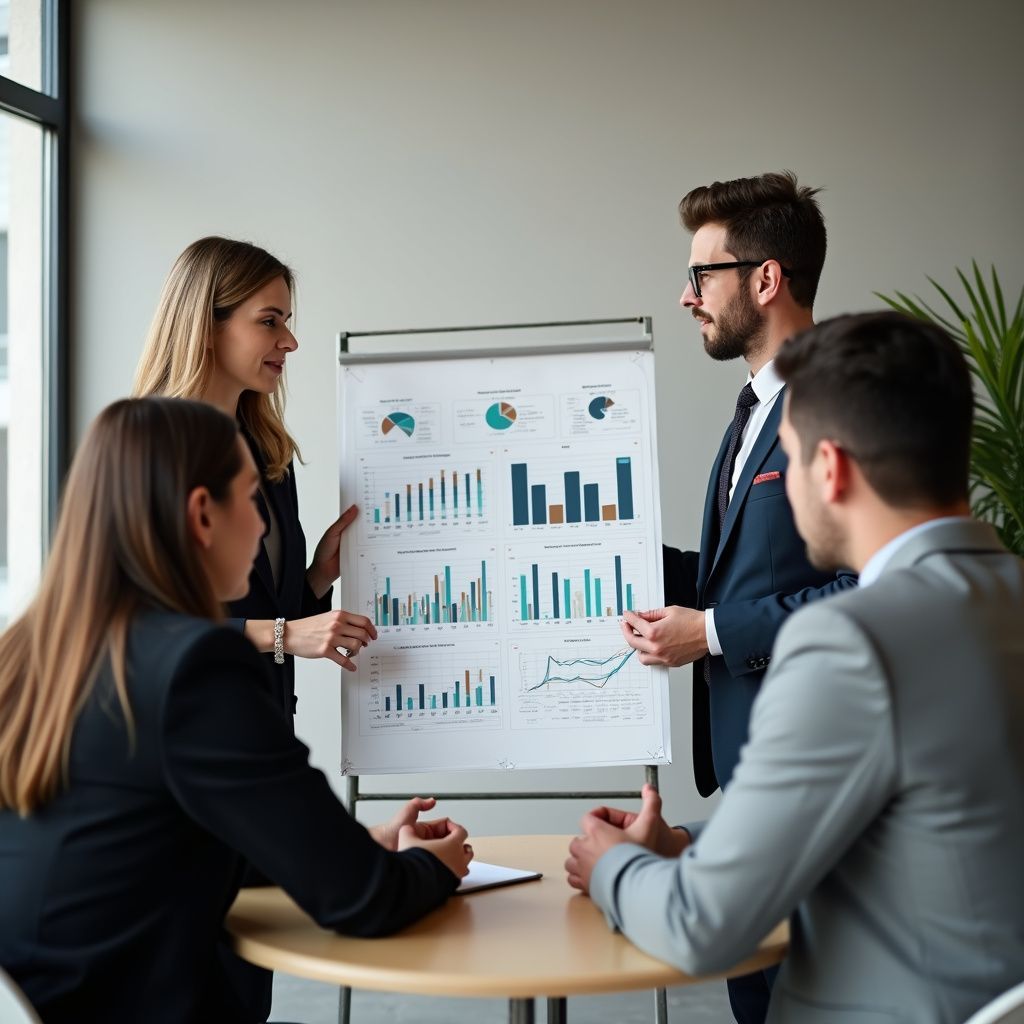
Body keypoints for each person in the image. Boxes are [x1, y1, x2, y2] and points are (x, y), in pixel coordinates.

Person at [566, 312, 1024, 1024]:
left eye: (788, 453)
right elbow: (917, 823)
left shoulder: (849, 645)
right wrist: (689, 842)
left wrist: (612, 868)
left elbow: (703, 926)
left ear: (831, 469)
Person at [0, 397, 473, 1024]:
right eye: (251, 500)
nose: (260, 527)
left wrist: (354, 845)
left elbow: (147, 836)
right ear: (202, 515)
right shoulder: (196, 666)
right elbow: (363, 902)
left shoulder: (32, 649)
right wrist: (431, 867)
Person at [622, 172, 857, 1020]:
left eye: (702, 275)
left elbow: (869, 589)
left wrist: (713, 633)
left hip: (812, 778)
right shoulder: (752, 408)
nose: (687, 297)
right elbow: (740, 572)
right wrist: (601, 555)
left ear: (766, 279)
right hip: (751, 789)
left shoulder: (833, 406)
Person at [134, 236, 373, 724]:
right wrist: (284, 635)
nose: (290, 341)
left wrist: (318, 575)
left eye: (286, 321)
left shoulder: (269, 455)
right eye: (270, 321)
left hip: (264, 729)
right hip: (181, 737)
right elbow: (138, 626)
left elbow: (266, 608)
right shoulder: (146, 449)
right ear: (206, 326)